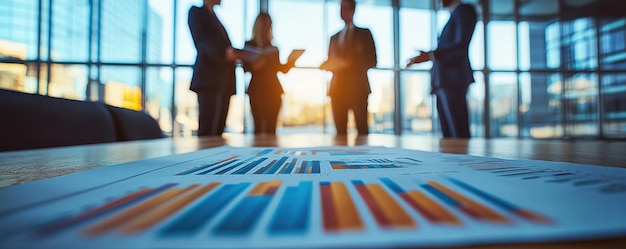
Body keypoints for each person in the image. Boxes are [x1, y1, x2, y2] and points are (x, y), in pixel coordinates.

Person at [406, 0, 477, 138]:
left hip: (453, 80)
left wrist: (431, 55)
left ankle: (464, 160)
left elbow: (461, 46)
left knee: (458, 133)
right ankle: (453, 160)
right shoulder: (453, 15)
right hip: (443, 81)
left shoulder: (465, 11)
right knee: (448, 134)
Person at [320, 0, 377, 136]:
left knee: (362, 131)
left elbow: (373, 60)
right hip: (337, 90)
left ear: (353, 10)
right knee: (340, 134)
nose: (342, 11)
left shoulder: (365, 34)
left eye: (345, 8)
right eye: (340, 8)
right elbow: (331, 61)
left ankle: (363, 158)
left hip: (358, 89)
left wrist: (351, 63)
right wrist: (327, 65)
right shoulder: (334, 38)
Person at [188, 0, 244, 136]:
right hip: (209, 79)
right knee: (207, 130)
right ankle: (204, 158)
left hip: (225, 80)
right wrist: (224, 54)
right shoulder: (197, 12)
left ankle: (218, 158)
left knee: (218, 131)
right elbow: (201, 43)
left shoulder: (216, 17)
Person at [242, 13, 295, 134]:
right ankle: (258, 153)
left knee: (271, 129)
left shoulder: (273, 48)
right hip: (256, 91)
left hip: (273, 91)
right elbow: (245, 68)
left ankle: (270, 152)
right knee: (258, 127)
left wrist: (291, 62)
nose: (268, 29)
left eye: (269, 26)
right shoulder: (249, 45)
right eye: (265, 25)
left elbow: (280, 69)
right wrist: (255, 65)